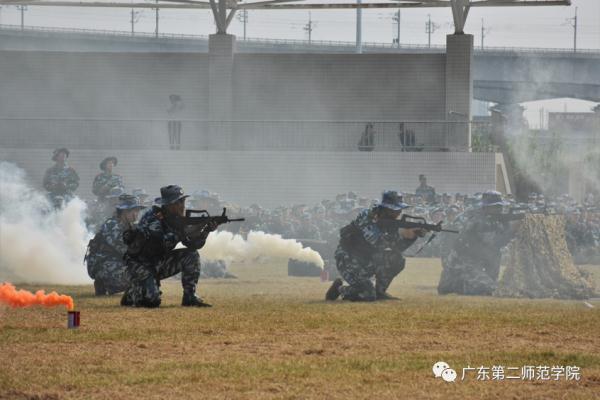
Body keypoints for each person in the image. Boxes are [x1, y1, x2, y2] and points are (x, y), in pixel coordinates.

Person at [122, 185, 216, 308]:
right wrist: (184, 231)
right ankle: (132, 293)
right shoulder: (153, 217)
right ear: (169, 204)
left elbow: (193, 245)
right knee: (151, 302)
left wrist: (205, 231)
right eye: (179, 202)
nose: (183, 205)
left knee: (191, 255)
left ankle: (189, 297)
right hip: (139, 265)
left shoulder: (177, 219)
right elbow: (161, 242)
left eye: (183, 201)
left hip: (159, 262)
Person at [326, 190, 426, 302]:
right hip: (348, 260)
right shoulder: (367, 217)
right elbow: (378, 242)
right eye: (396, 209)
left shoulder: (390, 222)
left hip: (366, 260)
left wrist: (410, 237)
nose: (399, 212)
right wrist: (402, 232)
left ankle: (380, 292)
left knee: (397, 259)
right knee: (367, 294)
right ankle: (340, 289)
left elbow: (397, 249)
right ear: (387, 209)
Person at [437, 190, 514, 296]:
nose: (499, 209)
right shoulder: (477, 220)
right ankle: (455, 283)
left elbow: (494, 248)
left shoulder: (492, 219)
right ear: (486, 208)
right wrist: (512, 231)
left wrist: (508, 227)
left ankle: (474, 282)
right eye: (496, 206)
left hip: (476, 260)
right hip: (462, 263)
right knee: (490, 289)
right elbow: (494, 243)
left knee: (491, 280)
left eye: (500, 206)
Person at [85, 194, 145, 296]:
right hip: (102, 265)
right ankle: (102, 283)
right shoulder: (112, 226)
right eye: (134, 210)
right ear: (125, 212)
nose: (137, 213)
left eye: (138, 210)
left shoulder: (129, 226)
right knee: (139, 275)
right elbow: (125, 250)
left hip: (115, 262)